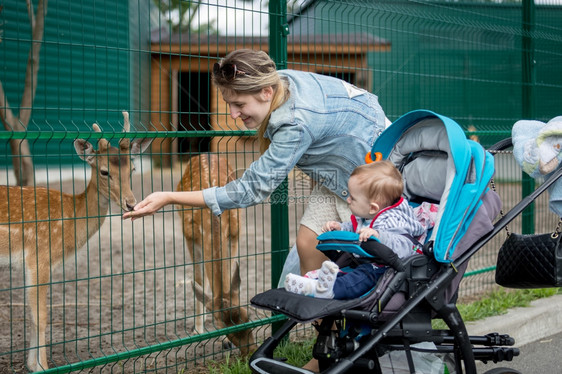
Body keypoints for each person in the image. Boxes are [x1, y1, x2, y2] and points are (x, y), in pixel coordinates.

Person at [122, 49, 388, 275]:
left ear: (265, 92)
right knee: (310, 243)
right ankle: (326, 328)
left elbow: (250, 189)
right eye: (228, 103)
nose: (233, 114)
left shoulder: (294, 123)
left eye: (239, 104)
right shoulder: (279, 82)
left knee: (369, 257)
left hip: (368, 177)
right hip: (337, 172)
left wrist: (169, 196)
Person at [284, 161, 425, 300]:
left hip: (387, 269)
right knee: (347, 272)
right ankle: (314, 283)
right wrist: (340, 227)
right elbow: (355, 228)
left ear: (373, 208)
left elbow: (404, 245)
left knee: (359, 278)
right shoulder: (368, 216)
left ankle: (328, 290)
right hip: (366, 262)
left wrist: (379, 235)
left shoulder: (393, 219)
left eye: (353, 198)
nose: (348, 199)